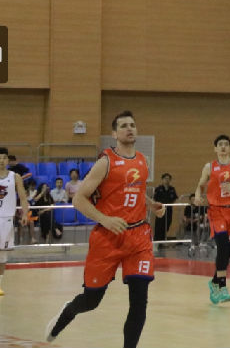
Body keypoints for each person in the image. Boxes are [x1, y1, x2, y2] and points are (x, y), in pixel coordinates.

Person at [46, 111, 165, 347]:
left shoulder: (143, 160)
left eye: (132, 125)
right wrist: (105, 219)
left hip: (138, 237)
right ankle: (67, 313)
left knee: (139, 302)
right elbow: (79, 199)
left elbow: (136, 190)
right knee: (91, 300)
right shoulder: (105, 162)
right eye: (123, 126)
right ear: (114, 134)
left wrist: (151, 204)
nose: (129, 128)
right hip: (108, 237)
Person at [193, 134, 230, 304]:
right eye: (220, 144)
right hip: (216, 210)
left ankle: (214, 282)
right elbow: (200, 185)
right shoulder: (209, 167)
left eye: (226, 144)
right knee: (222, 243)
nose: (223, 146)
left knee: (228, 249)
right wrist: (197, 196)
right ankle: (222, 286)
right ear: (215, 148)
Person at [0, 148, 31, 295]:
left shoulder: (15, 177)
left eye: (4, 158)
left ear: (8, 160)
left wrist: (25, 214)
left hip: (6, 219)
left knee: (2, 255)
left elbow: (23, 198)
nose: (1, 161)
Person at [152, 173, 177, 242]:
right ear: (162, 179)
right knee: (159, 225)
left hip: (169, 210)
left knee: (167, 224)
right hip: (160, 210)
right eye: (165, 178)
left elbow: (174, 198)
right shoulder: (158, 189)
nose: (167, 180)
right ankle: (157, 241)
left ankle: (162, 240)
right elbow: (154, 199)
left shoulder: (172, 189)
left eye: (168, 179)